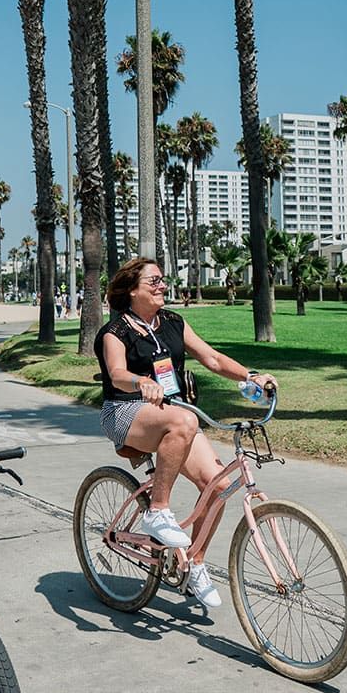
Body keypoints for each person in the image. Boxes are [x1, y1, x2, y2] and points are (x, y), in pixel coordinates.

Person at [94, 257, 277, 610]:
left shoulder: (173, 322)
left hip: (173, 413)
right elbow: (116, 373)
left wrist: (250, 376)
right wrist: (140, 381)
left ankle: (194, 563)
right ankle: (157, 511)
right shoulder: (115, 332)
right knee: (184, 421)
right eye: (154, 281)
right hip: (124, 411)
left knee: (219, 486)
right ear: (132, 290)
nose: (162, 285)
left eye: (163, 279)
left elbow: (213, 359)